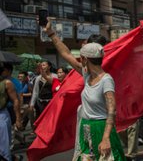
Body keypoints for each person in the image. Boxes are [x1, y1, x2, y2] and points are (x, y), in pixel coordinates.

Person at [45, 22, 125, 160]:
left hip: (101, 128)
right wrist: (51, 34)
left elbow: (112, 111)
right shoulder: (87, 75)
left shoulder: (106, 80)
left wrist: (106, 138)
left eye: (81, 57)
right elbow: (66, 54)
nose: (79, 59)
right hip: (86, 128)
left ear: (86, 59)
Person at [0, 62, 23, 161]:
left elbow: (16, 100)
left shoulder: (7, 83)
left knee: (4, 147)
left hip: (2, 115)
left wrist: (18, 119)